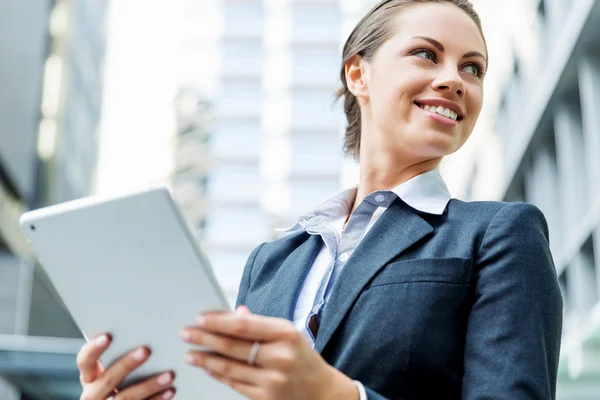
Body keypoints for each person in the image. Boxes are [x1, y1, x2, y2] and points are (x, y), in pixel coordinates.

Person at [75, 0, 564, 399]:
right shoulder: (270, 262)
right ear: (358, 75)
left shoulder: (499, 233)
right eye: (426, 54)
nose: (455, 79)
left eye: (473, 68)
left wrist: (339, 397)